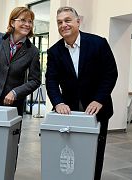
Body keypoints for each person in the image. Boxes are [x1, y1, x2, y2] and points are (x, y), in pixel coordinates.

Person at [45, 6, 118, 180]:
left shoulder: (98, 43)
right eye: (60, 22)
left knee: (95, 152)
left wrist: (99, 99)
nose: (64, 25)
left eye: (68, 20)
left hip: (97, 109)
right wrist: (58, 102)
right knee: (70, 150)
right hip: (69, 111)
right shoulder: (54, 51)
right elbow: (51, 80)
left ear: (78, 21)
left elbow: (110, 73)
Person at [0, 7, 41, 116]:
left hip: (13, 105)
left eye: (30, 21)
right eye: (23, 20)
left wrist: (15, 92)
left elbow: (35, 80)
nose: (27, 24)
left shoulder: (33, 51)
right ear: (12, 22)